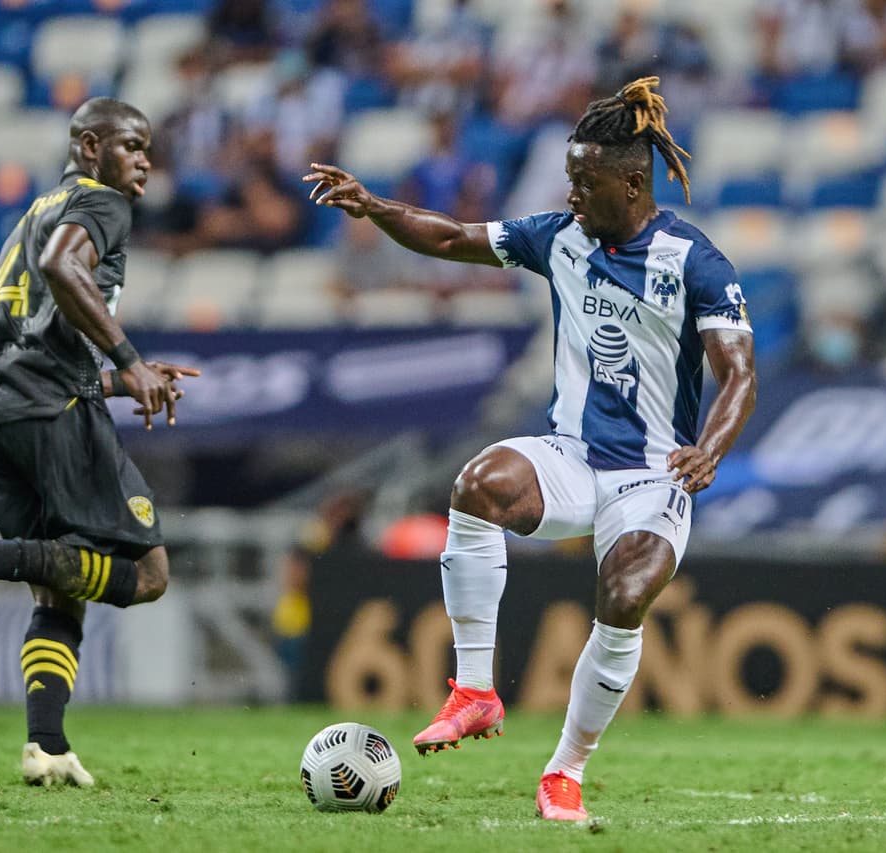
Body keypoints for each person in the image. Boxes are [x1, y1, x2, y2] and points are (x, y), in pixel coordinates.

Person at [304, 77, 756, 821]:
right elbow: (452, 237)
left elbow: (738, 373)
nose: (571, 193)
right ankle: (475, 691)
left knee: (624, 593)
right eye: (568, 178)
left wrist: (709, 446)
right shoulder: (560, 238)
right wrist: (375, 206)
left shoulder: (694, 262)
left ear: (633, 180)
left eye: (585, 180)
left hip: (653, 474)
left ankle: (564, 772)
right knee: (478, 482)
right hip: (571, 455)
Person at [0, 97, 200, 788]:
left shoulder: (38, 210)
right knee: (151, 574)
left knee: (59, 585)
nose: (143, 161)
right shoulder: (99, 204)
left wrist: (114, 382)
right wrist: (130, 359)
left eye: (148, 150)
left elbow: (33, 341)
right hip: (50, 414)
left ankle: (46, 745)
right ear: (88, 147)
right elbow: (60, 266)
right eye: (130, 145)